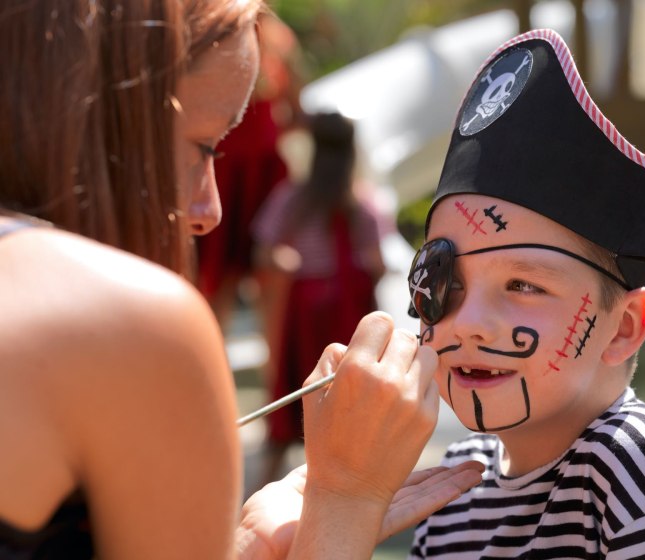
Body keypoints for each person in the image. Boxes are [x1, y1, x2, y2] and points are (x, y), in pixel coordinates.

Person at [0, 1, 484, 558]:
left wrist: (243, 546)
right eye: (203, 146)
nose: (210, 210)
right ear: (98, 114)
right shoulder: (131, 326)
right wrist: (347, 501)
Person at [406, 29, 645, 558]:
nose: (467, 320)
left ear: (623, 328)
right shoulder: (452, 489)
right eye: (443, 282)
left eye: (523, 284)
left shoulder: (628, 460)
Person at [251, 111, 387, 482]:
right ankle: (352, 476)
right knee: (347, 393)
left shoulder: (294, 199)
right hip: (340, 313)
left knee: (294, 391)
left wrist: (282, 259)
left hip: (306, 309)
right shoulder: (363, 204)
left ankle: (269, 479)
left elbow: (263, 248)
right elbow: (377, 262)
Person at [195, 10, 303, 328]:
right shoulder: (213, 33)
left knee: (268, 273)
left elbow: (297, 106)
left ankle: (278, 372)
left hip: (262, 177)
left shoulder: (279, 41)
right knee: (215, 276)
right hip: (225, 173)